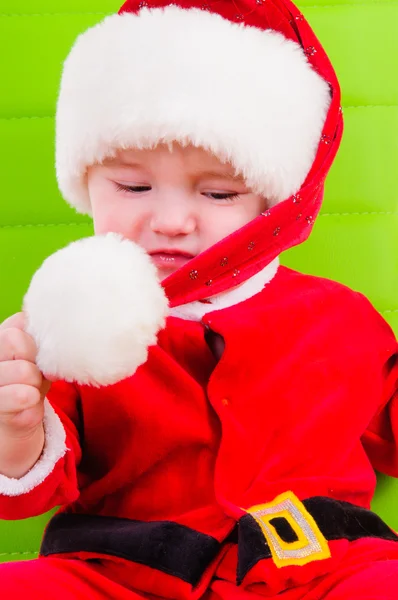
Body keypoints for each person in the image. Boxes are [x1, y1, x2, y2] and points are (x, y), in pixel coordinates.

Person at [0, 0, 397, 598]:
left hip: (320, 567)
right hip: (119, 569)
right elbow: (29, 493)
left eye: (217, 193)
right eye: (132, 186)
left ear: (273, 205)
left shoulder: (339, 318)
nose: (173, 221)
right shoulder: (69, 322)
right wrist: (17, 426)